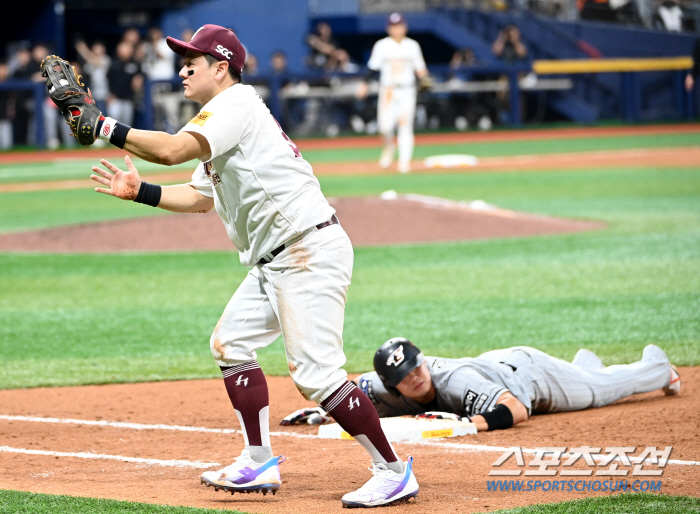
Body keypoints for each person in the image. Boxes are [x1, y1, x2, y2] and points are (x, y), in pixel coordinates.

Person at [68, 24, 417, 508]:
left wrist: (102, 125)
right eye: (181, 58)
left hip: (305, 249)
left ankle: (393, 470)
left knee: (316, 374)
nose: (183, 66)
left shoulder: (236, 106)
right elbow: (198, 197)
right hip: (277, 258)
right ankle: (257, 460)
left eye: (194, 58)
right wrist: (142, 192)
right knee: (230, 344)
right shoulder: (219, 117)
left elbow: (170, 150)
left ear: (222, 66)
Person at [283, 338, 680, 432]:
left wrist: (469, 425)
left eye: (417, 367)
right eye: (405, 377)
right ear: (391, 385)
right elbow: (356, 398)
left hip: (530, 377)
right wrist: (324, 413)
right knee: (588, 378)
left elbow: (517, 408)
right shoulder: (378, 387)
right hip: (501, 367)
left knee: (602, 392)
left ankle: (657, 368)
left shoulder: (455, 381)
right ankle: (582, 366)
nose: (416, 377)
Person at [357, 12, 428, 173]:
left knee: (405, 126)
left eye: (399, 25)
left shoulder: (412, 46)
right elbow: (372, 67)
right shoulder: (382, 45)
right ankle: (389, 148)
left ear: (405, 27)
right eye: (393, 26)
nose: (397, 29)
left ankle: (404, 162)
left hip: (407, 90)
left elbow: (421, 69)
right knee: (385, 127)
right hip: (388, 90)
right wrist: (364, 84)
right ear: (389, 28)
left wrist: (426, 81)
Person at [106, 41, 143, 127]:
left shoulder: (135, 64)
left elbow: (139, 78)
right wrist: (109, 95)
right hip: (115, 99)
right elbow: (108, 80)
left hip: (129, 99)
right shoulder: (114, 63)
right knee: (113, 124)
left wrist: (138, 81)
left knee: (126, 126)